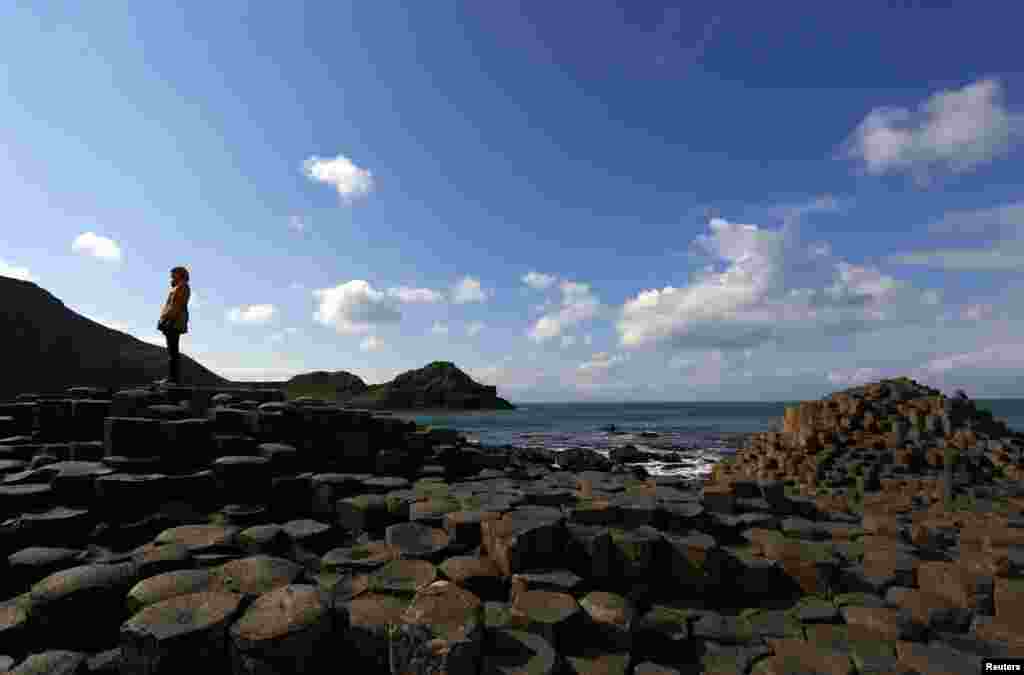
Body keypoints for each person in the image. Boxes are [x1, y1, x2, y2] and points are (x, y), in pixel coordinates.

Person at [157, 266, 191, 385]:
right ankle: (172, 378)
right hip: (173, 321)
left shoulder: (182, 287)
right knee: (172, 351)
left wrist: (166, 319)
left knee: (173, 351)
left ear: (180, 274)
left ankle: (173, 379)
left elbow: (175, 306)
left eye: (173, 274)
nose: (171, 276)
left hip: (173, 322)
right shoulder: (178, 287)